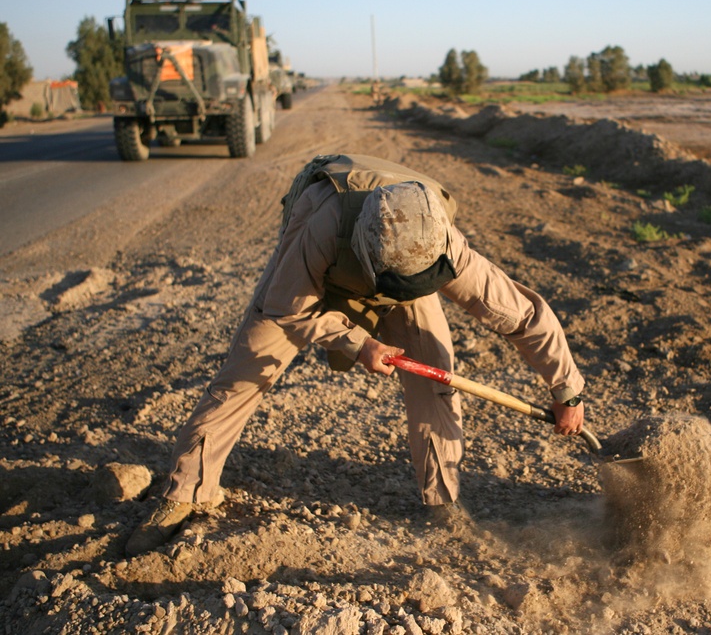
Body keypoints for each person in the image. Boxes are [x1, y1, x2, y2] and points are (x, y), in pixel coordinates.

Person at [126, 154, 586, 556]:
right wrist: (357, 342)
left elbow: (522, 314)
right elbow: (290, 308)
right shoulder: (320, 230)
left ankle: (442, 500)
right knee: (246, 372)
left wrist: (567, 388)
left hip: (404, 262)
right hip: (324, 255)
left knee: (435, 377)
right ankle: (186, 490)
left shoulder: (440, 243)